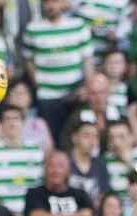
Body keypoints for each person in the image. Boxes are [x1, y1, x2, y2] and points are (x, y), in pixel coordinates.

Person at [22, 0, 94, 143]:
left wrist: (88, 87)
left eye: (55, 1)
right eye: (46, 2)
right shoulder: (33, 29)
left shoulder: (78, 25)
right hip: (47, 95)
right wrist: (38, 82)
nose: (51, 6)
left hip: (74, 93)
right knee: (51, 139)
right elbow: (28, 59)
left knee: (76, 138)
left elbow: (87, 59)